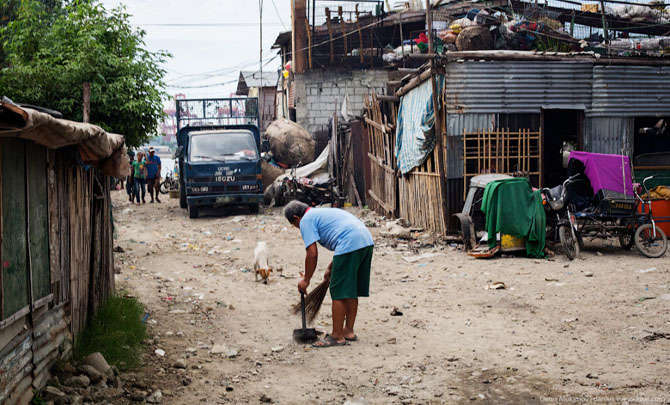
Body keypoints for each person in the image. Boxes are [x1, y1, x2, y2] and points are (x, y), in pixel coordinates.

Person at [284, 200, 374, 348]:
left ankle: (337, 336)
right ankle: (348, 331)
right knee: (350, 289)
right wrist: (331, 267)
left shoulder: (306, 220)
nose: (298, 228)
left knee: (338, 292)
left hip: (350, 243)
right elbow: (342, 235)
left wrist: (306, 279)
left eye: (295, 225)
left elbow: (312, 253)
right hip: (366, 241)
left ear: (296, 218)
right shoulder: (320, 213)